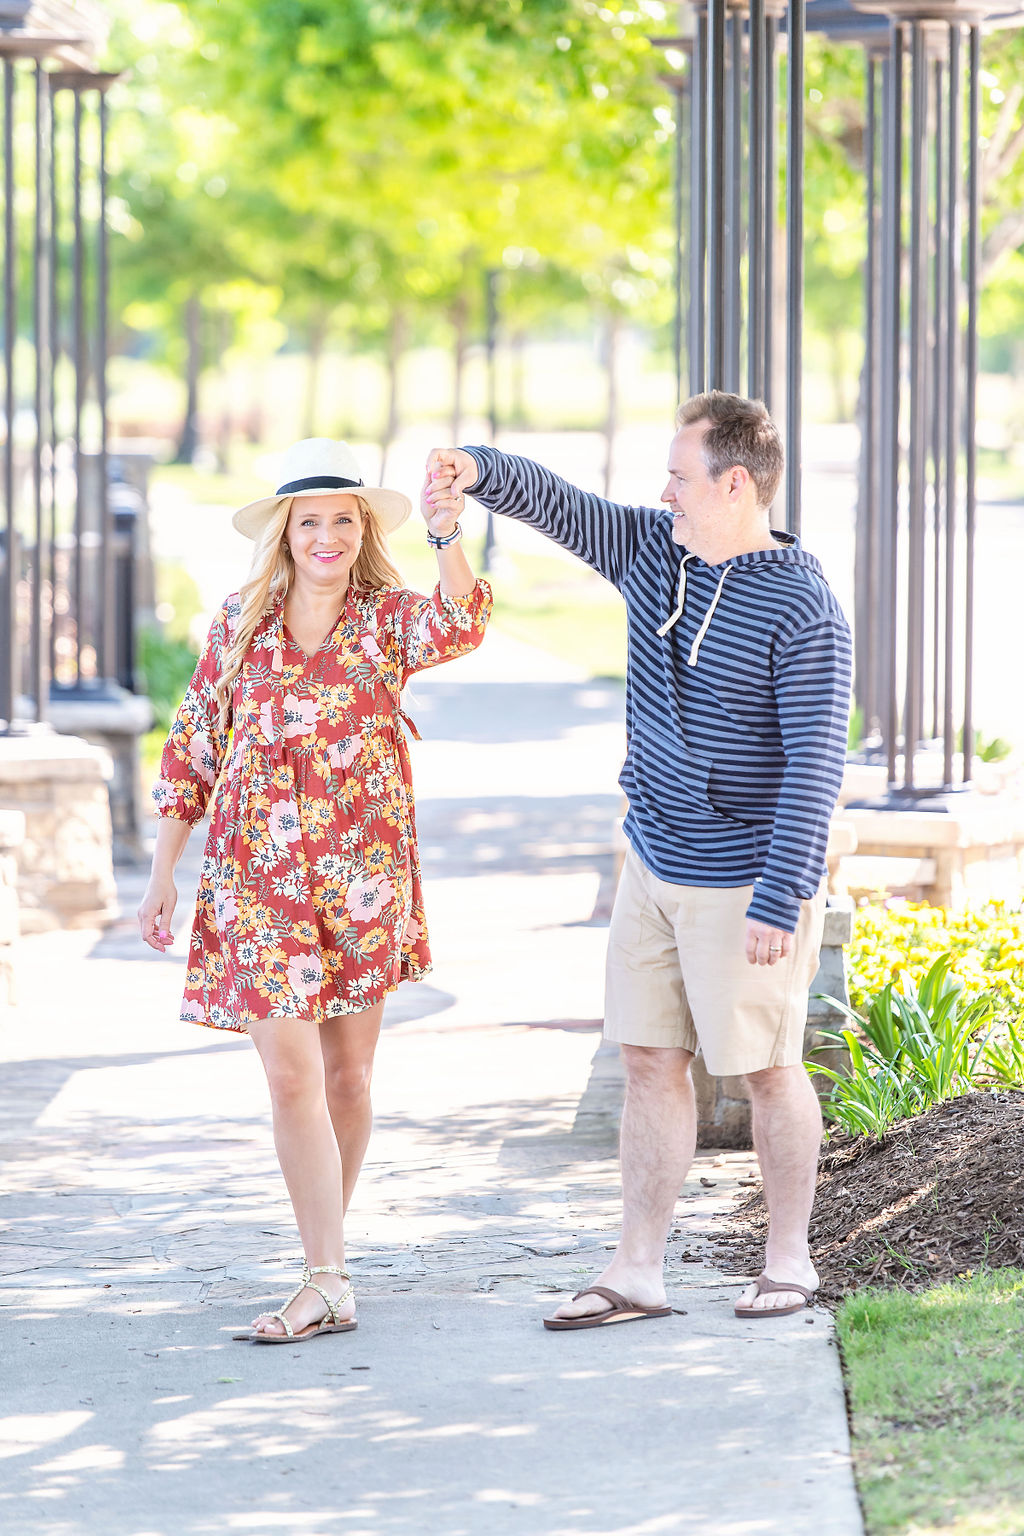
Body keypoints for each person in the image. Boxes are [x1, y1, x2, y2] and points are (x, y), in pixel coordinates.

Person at [425, 392, 851, 1328]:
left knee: (768, 1068)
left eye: (679, 476)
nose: (664, 492)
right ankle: (637, 1268)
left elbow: (818, 757)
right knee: (648, 1058)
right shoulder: (656, 553)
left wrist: (782, 896)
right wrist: (477, 468)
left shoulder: (803, 603)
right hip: (652, 862)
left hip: (745, 882)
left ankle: (789, 1260)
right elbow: (561, 504)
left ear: (734, 483)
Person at [139, 439, 491, 1343]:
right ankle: (325, 1275)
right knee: (291, 1076)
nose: (326, 536)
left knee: (349, 1076)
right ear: (284, 533)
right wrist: (164, 873)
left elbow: (463, 619)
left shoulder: (385, 621)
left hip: (359, 882)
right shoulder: (239, 626)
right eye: (310, 521)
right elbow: (193, 749)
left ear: (362, 529)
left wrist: (448, 529)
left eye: (343, 519)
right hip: (258, 883)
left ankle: (324, 1260)